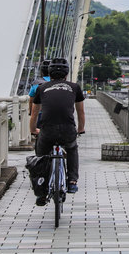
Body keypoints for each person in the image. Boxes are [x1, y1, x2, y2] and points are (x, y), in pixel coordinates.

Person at [29, 57, 86, 201]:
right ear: (67, 74)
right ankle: (72, 182)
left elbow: (34, 114)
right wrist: (80, 129)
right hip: (68, 129)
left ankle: (41, 191)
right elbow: (80, 112)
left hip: (47, 130)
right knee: (72, 148)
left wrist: (33, 130)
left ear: (49, 73)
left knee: (41, 155)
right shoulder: (74, 87)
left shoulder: (41, 88)